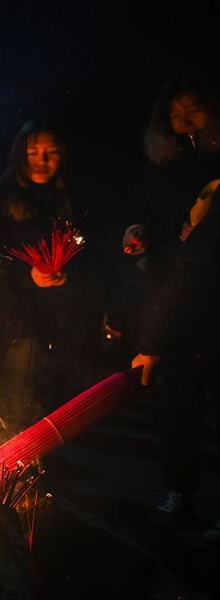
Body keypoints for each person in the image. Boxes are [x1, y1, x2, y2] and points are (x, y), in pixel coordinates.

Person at [0, 117, 96, 445]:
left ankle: (16, 469)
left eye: (50, 153)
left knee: (18, 399)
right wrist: (26, 274)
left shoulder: (69, 199)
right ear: (20, 155)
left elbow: (85, 250)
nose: (42, 161)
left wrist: (65, 276)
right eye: (33, 152)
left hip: (32, 317)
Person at [131, 68, 220, 519]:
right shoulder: (164, 162)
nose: (186, 119)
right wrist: (141, 233)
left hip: (206, 297)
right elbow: (151, 214)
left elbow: (204, 249)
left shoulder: (215, 159)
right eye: (176, 111)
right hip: (173, 284)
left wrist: (201, 233)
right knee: (177, 404)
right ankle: (180, 492)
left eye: (195, 108)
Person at [132, 203, 220, 547]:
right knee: (178, 415)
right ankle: (180, 493)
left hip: (198, 330)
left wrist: (152, 343)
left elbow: (193, 272)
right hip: (183, 337)